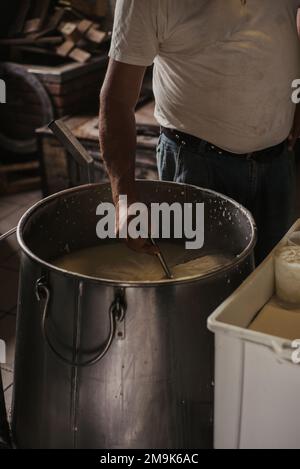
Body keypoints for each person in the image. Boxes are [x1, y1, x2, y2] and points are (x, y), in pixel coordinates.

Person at [99, 0, 300, 262]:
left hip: (277, 162)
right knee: (202, 285)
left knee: (274, 281)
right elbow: (117, 100)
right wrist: (123, 199)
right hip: (196, 168)